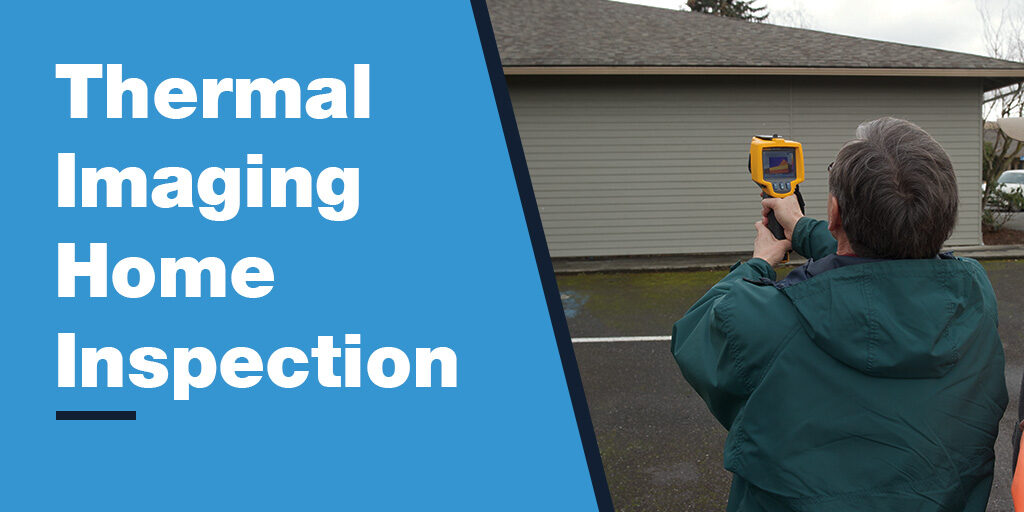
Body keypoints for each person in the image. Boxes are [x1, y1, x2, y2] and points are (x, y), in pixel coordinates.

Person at [671, 117, 1008, 511]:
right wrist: (799, 227)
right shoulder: (973, 295)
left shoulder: (763, 323)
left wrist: (759, 262)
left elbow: (697, 330)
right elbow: (892, 257)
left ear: (835, 213)